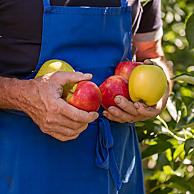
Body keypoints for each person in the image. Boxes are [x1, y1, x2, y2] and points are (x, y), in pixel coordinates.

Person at [0, 0, 173, 193]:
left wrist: (160, 93)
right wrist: (22, 95)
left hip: (113, 166)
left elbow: (150, 52)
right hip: (22, 165)